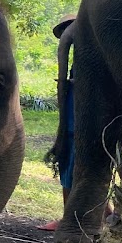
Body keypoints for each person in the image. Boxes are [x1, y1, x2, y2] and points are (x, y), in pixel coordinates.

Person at [39, 15, 76, 231]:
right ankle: (104, 214)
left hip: (79, 129)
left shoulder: (91, 59)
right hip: (70, 127)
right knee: (68, 167)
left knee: (73, 168)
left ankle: (69, 220)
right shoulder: (75, 64)